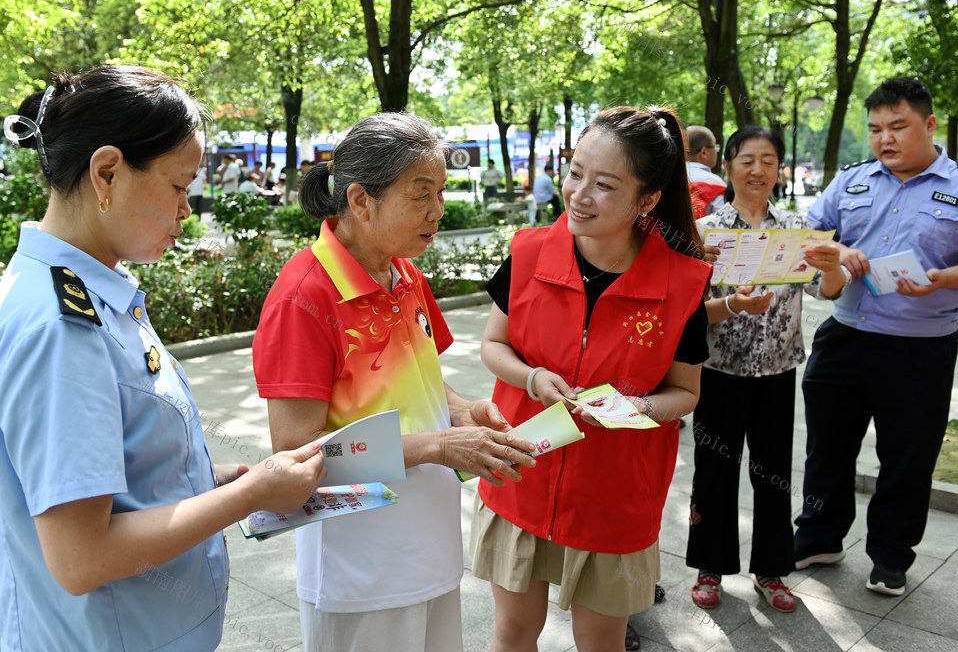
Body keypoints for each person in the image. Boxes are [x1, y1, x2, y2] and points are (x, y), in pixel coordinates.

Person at [0, 65, 326, 652]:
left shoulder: (96, 291)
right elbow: (82, 556)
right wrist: (249, 496)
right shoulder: (62, 325)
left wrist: (217, 478)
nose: (187, 209)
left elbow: (119, 471)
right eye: (178, 186)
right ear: (107, 172)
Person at [251, 112, 538, 652]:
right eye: (420, 194)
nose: (438, 210)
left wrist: (463, 412)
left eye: (441, 192)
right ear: (360, 201)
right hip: (359, 566)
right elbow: (293, 457)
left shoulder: (404, 272)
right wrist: (438, 445)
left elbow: (428, 383)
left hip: (428, 545)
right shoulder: (304, 298)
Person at [470, 106, 712, 651]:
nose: (578, 194)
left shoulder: (683, 284)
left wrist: (643, 408)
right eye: (575, 172)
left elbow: (686, 393)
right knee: (512, 633)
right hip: (521, 476)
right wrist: (532, 379)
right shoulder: (528, 252)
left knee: (601, 642)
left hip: (615, 497)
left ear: (647, 200)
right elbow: (492, 345)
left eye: (604, 185)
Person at [794, 77, 958, 596]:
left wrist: (942, 278)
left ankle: (890, 555)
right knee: (827, 447)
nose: (885, 139)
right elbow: (810, 236)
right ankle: (819, 535)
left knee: (907, 455)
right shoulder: (852, 181)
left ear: (929, 125)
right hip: (844, 334)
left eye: (898, 127)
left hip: (921, 347)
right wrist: (837, 253)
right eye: (876, 129)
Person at [685, 126, 848, 614]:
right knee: (714, 470)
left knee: (773, 472)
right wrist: (732, 304)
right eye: (747, 159)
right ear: (728, 165)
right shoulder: (705, 230)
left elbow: (830, 290)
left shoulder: (797, 227)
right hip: (717, 370)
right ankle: (709, 567)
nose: (758, 170)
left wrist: (834, 263)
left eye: (769, 160)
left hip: (777, 372)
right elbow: (688, 309)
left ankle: (771, 570)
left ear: (779, 168)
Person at [685, 124, 727, 218]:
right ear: (704, 152)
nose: (717, 151)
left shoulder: (667, 177)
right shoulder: (715, 183)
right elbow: (723, 221)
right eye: (715, 147)